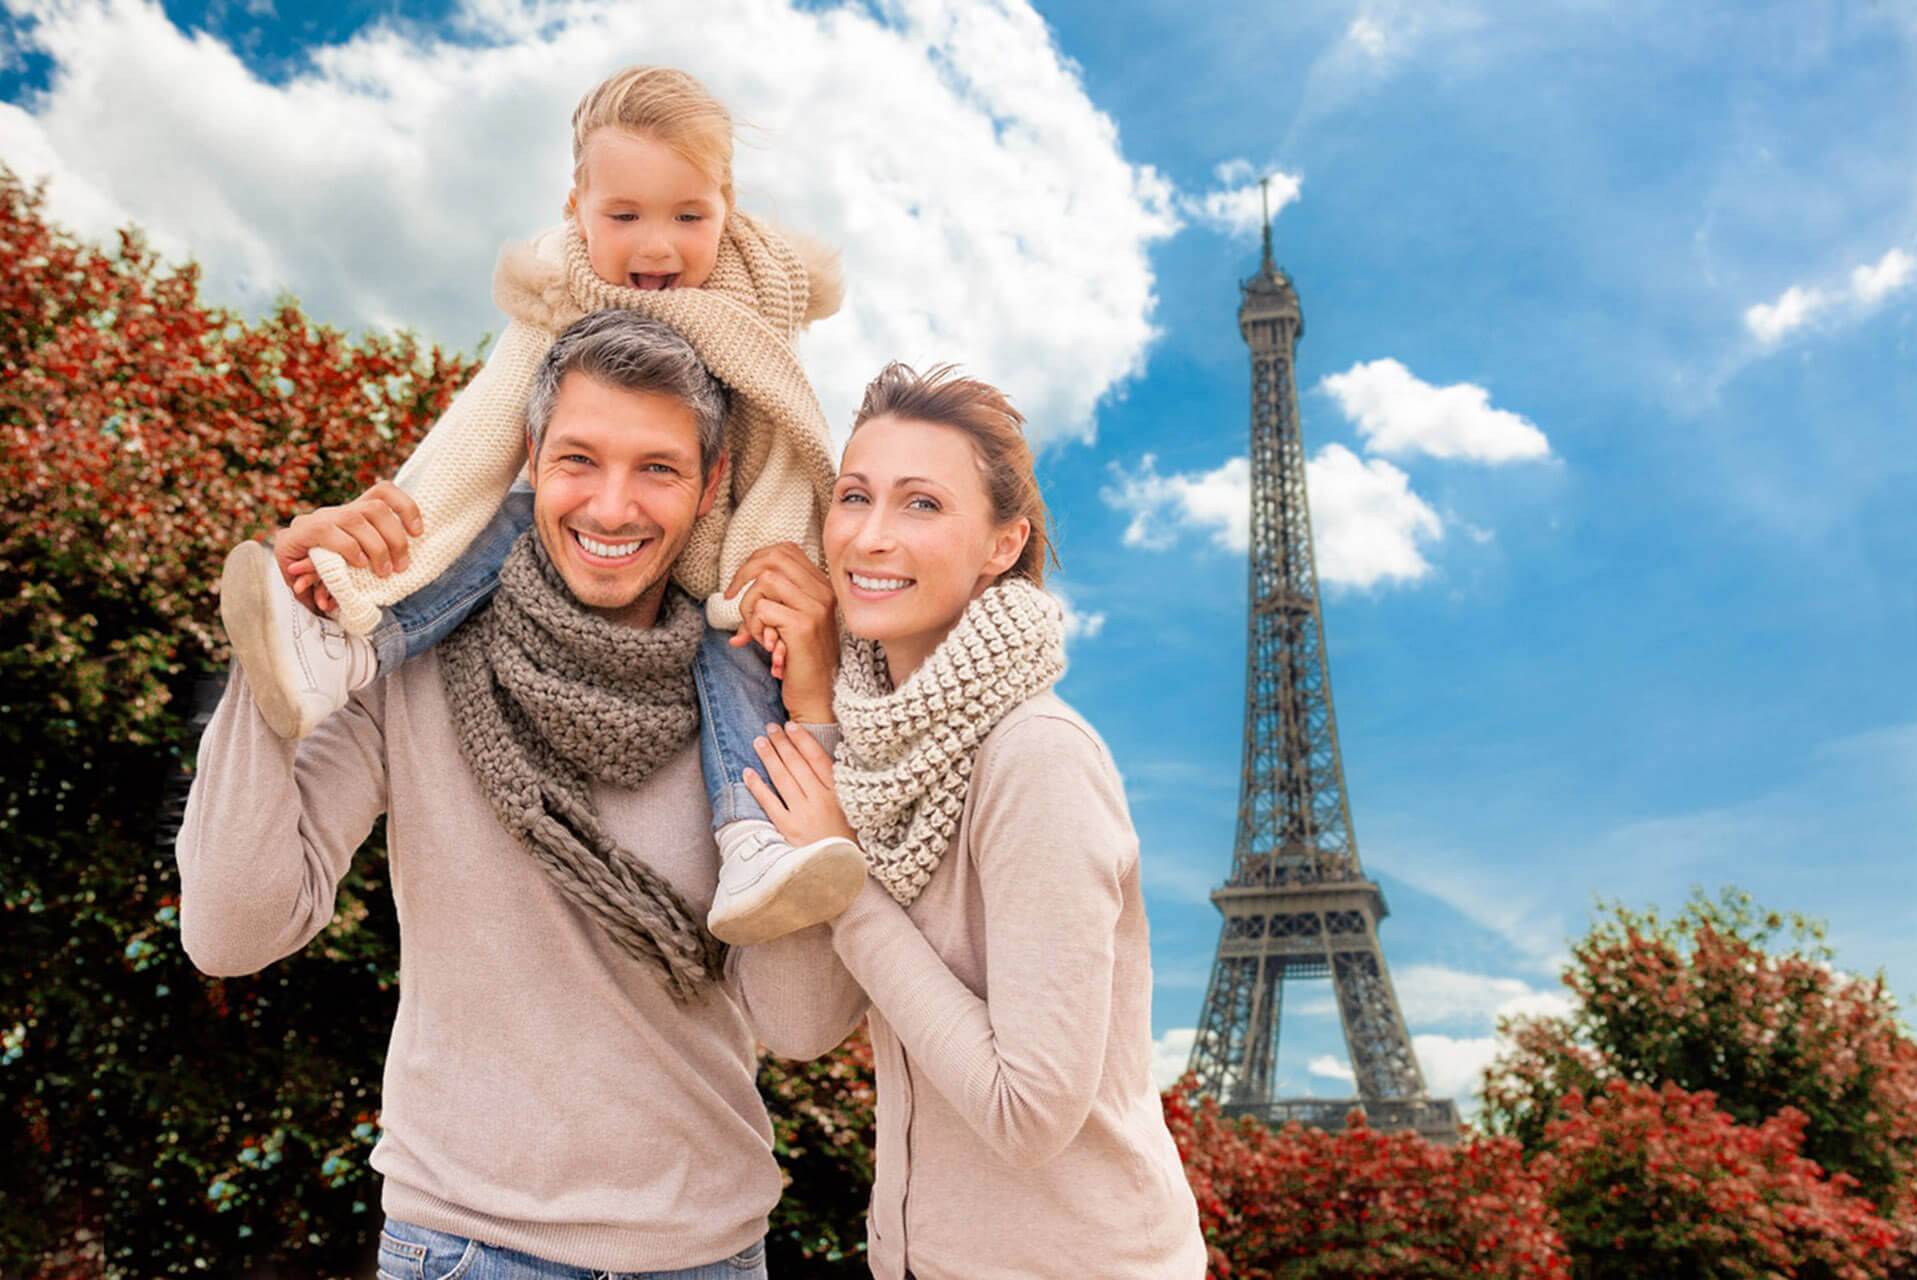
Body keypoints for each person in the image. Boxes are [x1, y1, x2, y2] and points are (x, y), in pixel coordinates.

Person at [177, 313, 867, 1280]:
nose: (614, 506)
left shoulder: (745, 699)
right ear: (532, 457)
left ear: (711, 487)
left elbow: (799, 1024)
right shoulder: (406, 661)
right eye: (580, 458)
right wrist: (279, 641)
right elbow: (232, 929)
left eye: (659, 469)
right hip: (467, 1246)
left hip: (708, 1253)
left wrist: (815, 711)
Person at [216, 65, 863, 946]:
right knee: (498, 517)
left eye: (689, 216)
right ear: (576, 209)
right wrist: (336, 579)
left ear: (729, 206)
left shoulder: (759, 299)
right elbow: (471, 448)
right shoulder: (558, 293)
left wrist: (783, 619)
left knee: (737, 647)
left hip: (739, 550)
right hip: (475, 580)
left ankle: (752, 836)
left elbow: (789, 449)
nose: (659, 250)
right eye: (624, 216)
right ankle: (344, 646)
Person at [735, 364, 1209, 1279]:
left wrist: (843, 873)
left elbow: (1027, 1113)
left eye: (922, 505)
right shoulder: (869, 746)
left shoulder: (1036, 758)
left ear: (1002, 544)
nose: (872, 537)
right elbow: (794, 1025)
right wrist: (817, 725)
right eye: (855, 496)